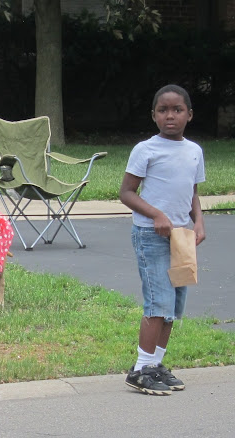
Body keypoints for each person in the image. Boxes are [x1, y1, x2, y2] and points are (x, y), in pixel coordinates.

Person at [119, 84, 206, 396]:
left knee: (174, 305)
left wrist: (199, 221)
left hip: (181, 238)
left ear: (189, 115)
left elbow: (193, 193)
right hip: (150, 236)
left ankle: (155, 365)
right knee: (158, 303)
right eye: (163, 110)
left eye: (177, 110)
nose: (171, 116)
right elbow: (126, 193)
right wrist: (155, 214)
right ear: (154, 116)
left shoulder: (194, 151)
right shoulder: (146, 149)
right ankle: (140, 370)